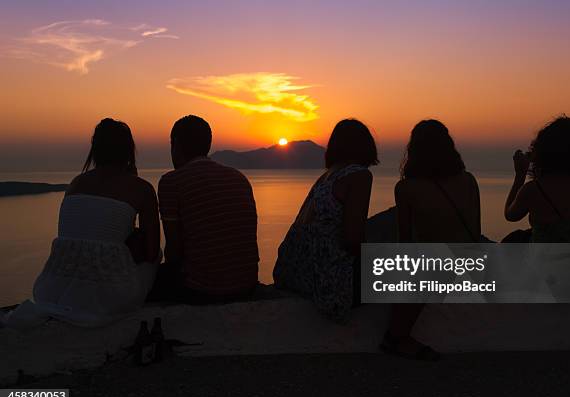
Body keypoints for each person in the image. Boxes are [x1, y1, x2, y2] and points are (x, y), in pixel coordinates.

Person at [9, 119, 160, 328]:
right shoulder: (142, 189)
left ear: (95, 150)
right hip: (111, 298)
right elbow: (151, 252)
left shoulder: (75, 184)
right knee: (156, 257)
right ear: (128, 151)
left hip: (52, 290)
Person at [381, 119, 481, 360]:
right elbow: (475, 231)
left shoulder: (405, 188)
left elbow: (403, 242)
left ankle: (397, 337)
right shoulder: (468, 180)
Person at [273, 119, 378, 322]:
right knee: (421, 271)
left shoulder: (326, 177)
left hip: (301, 277)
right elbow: (353, 239)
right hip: (332, 285)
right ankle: (397, 339)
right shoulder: (359, 175)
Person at [151, 115, 259, 303]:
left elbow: (173, 250)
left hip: (202, 290)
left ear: (175, 144)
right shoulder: (238, 178)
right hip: (247, 285)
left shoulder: (172, 182)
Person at [504, 116, 570, 243]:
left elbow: (510, 215)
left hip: (548, 262)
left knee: (511, 241)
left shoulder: (534, 190)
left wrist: (520, 174)